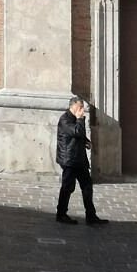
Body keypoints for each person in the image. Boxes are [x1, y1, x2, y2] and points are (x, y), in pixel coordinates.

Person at [55, 96, 107, 225]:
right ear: (72, 106)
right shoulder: (65, 119)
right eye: (80, 107)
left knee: (87, 186)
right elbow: (77, 131)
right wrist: (80, 119)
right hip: (69, 160)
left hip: (79, 159)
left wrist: (86, 141)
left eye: (83, 107)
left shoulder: (74, 119)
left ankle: (91, 215)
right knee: (68, 187)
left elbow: (79, 135)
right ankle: (61, 214)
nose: (82, 110)